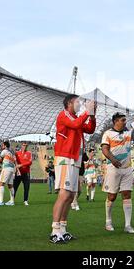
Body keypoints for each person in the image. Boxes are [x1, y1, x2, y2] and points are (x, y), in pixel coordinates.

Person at [49, 94, 96, 244]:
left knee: (70, 196)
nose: (80, 104)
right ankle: (54, 231)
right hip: (65, 158)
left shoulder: (75, 117)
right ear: (69, 103)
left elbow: (89, 129)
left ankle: (62, 229)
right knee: (64, 195)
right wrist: (86, 112)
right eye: (77, 101)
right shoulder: (64, 115)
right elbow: (76, 125)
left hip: (75, 159)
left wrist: (92, 115)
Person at [101, 93, 134, 234]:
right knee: (112, 196)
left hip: (127, 169)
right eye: (122, 120)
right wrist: (113, 159)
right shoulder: (107, 133)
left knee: (127, 195)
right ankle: (108, 222)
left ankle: (128, 225)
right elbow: (104, 149)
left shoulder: (128, 131)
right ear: (116, 121)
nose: (125, 122)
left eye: (125, 120)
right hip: (113, 169)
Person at [0, 141, 18, 207]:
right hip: (12, 169)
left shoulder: (4, 151)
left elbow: (0, 160)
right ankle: (12, 201)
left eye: (2, 145)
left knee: (1, 183)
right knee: (10, 185)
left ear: (4, 145)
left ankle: (1, 201)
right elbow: (14, 161)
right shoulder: (12, 153)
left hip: (6, 168)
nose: (2, 146)